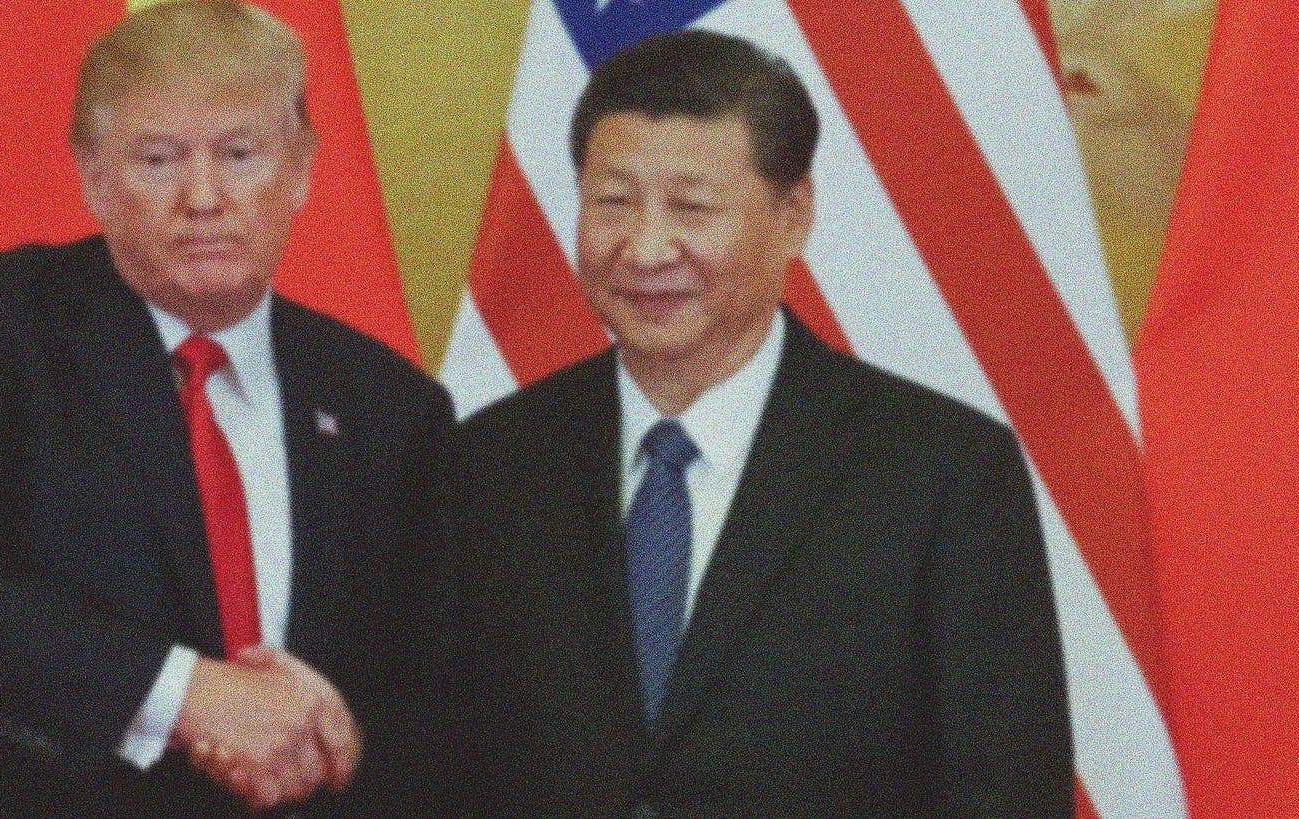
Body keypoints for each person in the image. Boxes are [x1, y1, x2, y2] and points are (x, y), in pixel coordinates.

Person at [451, 30, 1073, 817]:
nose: (646, 248)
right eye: (613, 202)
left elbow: (1006, 792)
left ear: (794, 215)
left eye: (691, 206)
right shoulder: (490, 460)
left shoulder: (943, 472)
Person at [0, 2, 455, 815]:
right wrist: (184, 693)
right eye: (158, 159)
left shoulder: (391, 404)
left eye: (240, 154)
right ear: (93, 177)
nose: (203, 196)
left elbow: (436, 686)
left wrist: (343, 740)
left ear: (301, 169)